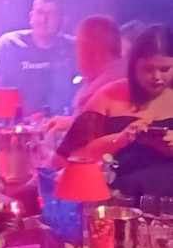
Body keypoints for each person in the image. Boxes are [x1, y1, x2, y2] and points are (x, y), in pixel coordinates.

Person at [58, 24, 173, 197]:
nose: (156, 77)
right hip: (115, 199)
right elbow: (74, 156)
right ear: (133, 67)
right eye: (148, 69)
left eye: (165, 69)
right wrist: (120, 139)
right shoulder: (109, 95)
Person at [0, 0, 75, 137]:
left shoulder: (73, 47)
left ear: (62, 19)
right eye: (40, 12)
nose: (44, 19)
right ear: (31, 16)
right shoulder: (10, 43)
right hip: (15, 129)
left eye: (51, 14)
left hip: (58, 129)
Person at [73, 14, 125, 112]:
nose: (76, 53)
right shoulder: (126, 72)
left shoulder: (96, 92)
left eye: (79, 45)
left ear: (90, 49)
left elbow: (84, 119)